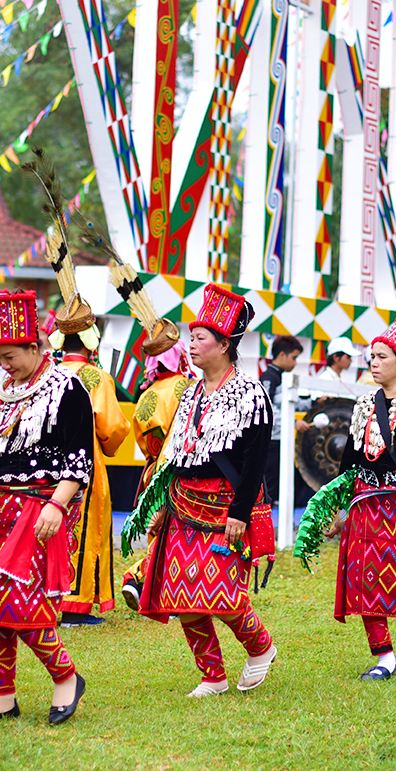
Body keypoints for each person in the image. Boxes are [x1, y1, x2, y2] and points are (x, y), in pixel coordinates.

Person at [0, 289, 90, 724]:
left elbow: (79, 458)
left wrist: (56, 505)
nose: (3, 365)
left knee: (24, 602)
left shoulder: (66, 387)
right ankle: (2, 695)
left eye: (10, 356)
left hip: (36, 507)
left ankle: (66, 677)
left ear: (34, 346)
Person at [136, 285, 277, 697]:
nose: (191, 344)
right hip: (183, 503)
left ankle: (260, 647)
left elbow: (255, 462)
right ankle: (212, 674)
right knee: (181, 594)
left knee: (222, 594)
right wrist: (163, 502)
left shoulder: (251, 394)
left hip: (224, 507)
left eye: (200, 338)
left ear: (225, 344)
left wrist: (240, 511)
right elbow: (176, 450)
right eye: (191, 337)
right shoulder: (191, 392)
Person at [308, 315, 396, 678]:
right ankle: (385, 657)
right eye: (372, 356)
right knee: (365, 579)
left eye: (382, 357)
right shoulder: (364, 405)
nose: (373, 362)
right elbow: (349, 463)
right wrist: (337, 509)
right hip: (366, 502)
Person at [55, 323, 129, 626]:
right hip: (84, 462)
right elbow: (112, 427)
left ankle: (47, 598)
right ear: (89, 342)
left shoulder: (48, 374)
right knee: (84, 530)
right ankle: (74, 605)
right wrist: (107, 447)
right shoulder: (97, 377)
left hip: (46, 462)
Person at [121, 341, 193, 611]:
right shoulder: (185, 387)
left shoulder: (147, 393)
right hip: (177, 469)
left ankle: (153, 590)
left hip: (152, 469)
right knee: (176, 535)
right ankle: (140, 578)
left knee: (158, 533)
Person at [260, 335, 307, 502]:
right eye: (294, 358)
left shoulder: (284, 377)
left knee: (279, 488)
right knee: (270, 488)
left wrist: (315, 402)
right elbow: (265, 409)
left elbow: (293, 402)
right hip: (271, 442)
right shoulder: (269, 378)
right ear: (282, 355)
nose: (295, 363)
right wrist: (293, 422)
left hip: (282, 441)